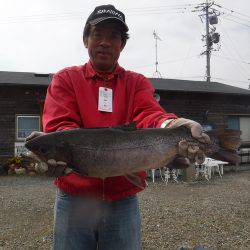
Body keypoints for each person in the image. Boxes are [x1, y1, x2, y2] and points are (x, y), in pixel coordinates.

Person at [26, 4, 210, 250]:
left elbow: (149, 114)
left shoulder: (136, 83)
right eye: (97, 34)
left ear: (122, 45)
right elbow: (62, 125)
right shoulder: (65, 79)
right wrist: (53, 148)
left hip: (123, 198)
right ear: (85, 39)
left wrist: (173, 124)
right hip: (74, 198)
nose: (105, 42)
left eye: (114, 36)